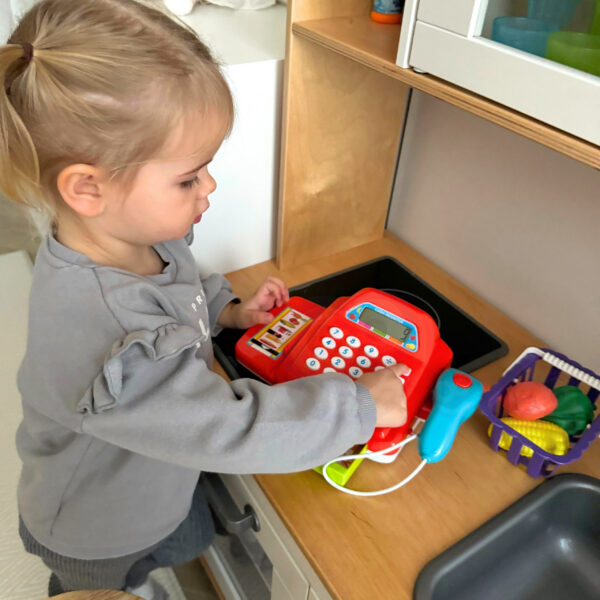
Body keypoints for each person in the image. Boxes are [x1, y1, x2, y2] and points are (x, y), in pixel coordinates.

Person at [0, 1, 409, 597]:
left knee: (185, 538)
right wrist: (358, 408)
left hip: (155, 474)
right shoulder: (104, 331)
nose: (209, 186)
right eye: (189, 177)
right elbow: (230, 428)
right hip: (94, 525)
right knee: (111, 584)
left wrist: (227, 311)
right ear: (87, 188)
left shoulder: (138, 237)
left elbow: (181, 285)